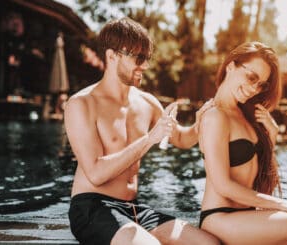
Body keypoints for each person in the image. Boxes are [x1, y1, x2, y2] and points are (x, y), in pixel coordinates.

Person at [64, 17, 220, 245]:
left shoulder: (147, 102)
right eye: (138, 58)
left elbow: (181, 139)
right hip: (92, 207)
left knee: (208, 243)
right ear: (112, 56)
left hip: (133, 209)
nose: (145, 66)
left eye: (146, 58)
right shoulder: (82, 104)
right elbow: (96, 174)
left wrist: (200, 123)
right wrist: (150, 139)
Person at [197, 41, 287, 245]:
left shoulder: (246, 116)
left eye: (261, 84)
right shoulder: (215, 116)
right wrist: (285, 205)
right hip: (220, 219)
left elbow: (264, 187)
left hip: (247, 218)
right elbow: (223, 186)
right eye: (251, 77)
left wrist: (271, 138)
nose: (254, 89)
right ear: (231, 66)